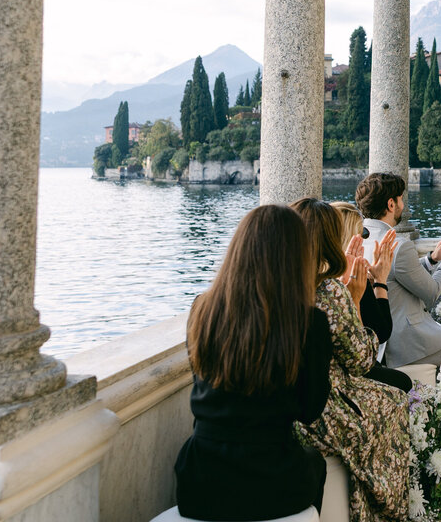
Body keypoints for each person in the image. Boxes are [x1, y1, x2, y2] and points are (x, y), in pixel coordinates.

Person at [174, 205, 331, 521]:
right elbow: (310, 410)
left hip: (199, 480)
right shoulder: (308, 322)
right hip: (273, 479)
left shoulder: (202, 310)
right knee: (316, 463)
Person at [288, 198, 412, 522]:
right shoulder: (329, 290)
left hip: (282, 406)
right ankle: (385, 509)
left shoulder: (283, 284)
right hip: (324, 409)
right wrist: (354, 299)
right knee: (396, 400)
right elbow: (361, 359)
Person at [355, 172, 441, 404]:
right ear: (391, 203)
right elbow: (431, 292)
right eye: (401, 199)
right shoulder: (396, 245)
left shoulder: (359, 238)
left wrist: (432, 259)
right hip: (404, 343)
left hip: (377, 344)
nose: (403, 205)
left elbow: (398, 278)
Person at [293, 198, 412, 393]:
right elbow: (378, 336)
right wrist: (378, 282)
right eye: (362, 234)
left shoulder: (304, 278)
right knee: (402, 384)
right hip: (334, 382)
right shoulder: (340, 284)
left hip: (311, 383)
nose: (365, 239)